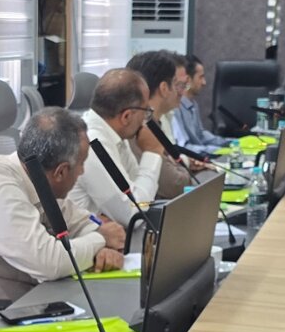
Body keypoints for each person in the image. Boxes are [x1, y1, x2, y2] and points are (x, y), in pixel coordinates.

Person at [0, 108, 126, 302]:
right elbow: (49, 262)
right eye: (81, 164)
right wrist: (100, 240)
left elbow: (76, 221)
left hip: (9, 291)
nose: (82, 172)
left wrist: (99, 244)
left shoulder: (34, 176)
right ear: (61, 172)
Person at [68, 68, 166, 228]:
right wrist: (153, 152)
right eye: (146, 112)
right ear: (126, 116)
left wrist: (138, 202)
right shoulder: (92, 143)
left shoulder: (115, 134)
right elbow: (134, 215)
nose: (145, 120)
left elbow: (144, 197)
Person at [127, 50, 193, 194]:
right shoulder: (141, 127)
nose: (182, 92)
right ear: (164, 88)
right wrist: (183, 168)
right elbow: (176, 184)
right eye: (176, 84)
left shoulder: (154, 121)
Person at [170, 54, 237, 156]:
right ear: (188, 80)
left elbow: (201, 135)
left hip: (201, 156)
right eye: (201, 77)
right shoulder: (174, 108)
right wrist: (218, 151)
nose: (204, 82)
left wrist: (231, 143)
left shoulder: (193, 105)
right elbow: (183, 147)